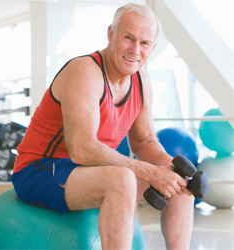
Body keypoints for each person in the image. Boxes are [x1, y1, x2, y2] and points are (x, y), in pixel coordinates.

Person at [12, 3, 194, 250]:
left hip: (89, 171)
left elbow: (144, 141)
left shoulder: (142, 82)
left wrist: (167, 167)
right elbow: (82, 149)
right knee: (122, 180)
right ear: (111, 34)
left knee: (180, 184)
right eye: (128, 38)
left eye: (144, 43)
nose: (135, 50)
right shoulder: (85, 72)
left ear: (153, 47)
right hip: (41, 169)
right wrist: (150, 173)